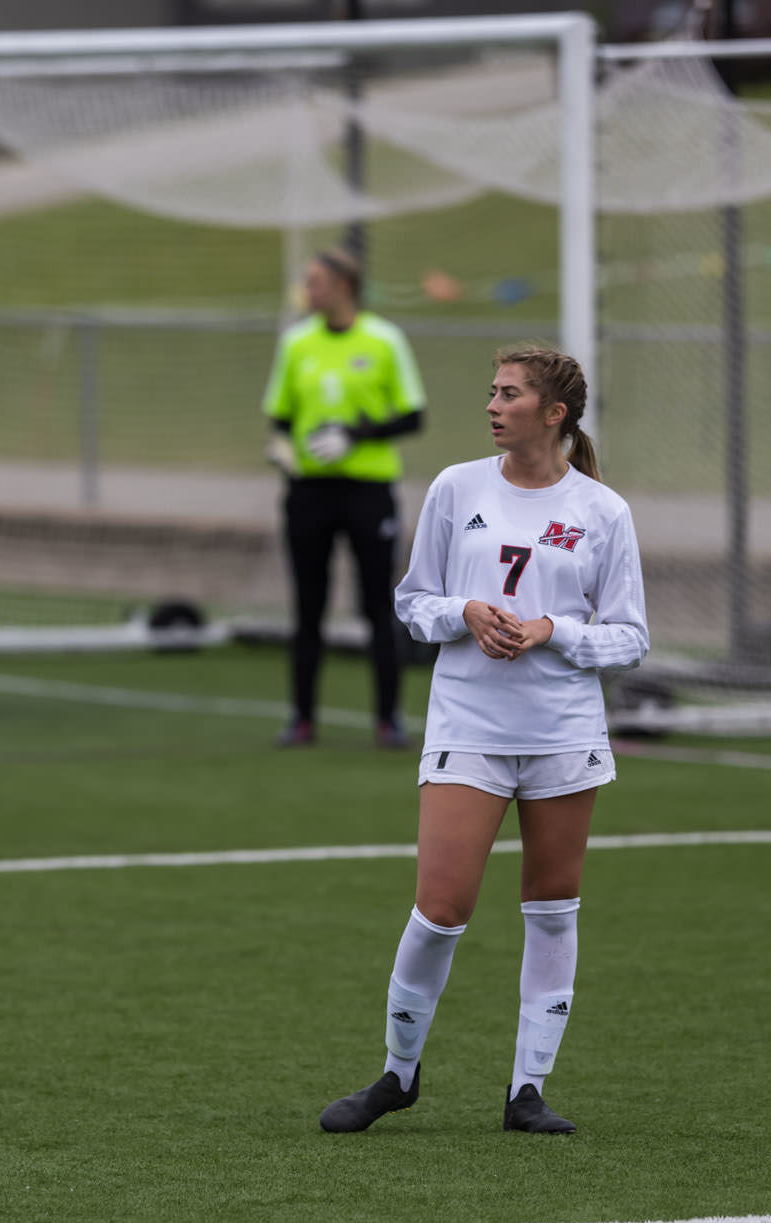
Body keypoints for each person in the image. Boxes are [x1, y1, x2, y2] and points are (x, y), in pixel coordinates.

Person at [318, 343, 647, 1136]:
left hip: (563, 733)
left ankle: (527, 1090)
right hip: (468, 724)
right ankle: (398, 1075)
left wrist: (553, 630)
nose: (493, 405)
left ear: (554, 413)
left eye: (510, 394)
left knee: (553, 907)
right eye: (492, 391)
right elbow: (413, 600)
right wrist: (465, 612)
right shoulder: (454, 487)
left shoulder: (603, 511)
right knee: (440, 907)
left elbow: (631, 636)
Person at [261, 245, 426, 749]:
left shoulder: (384, 340)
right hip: (307, 492)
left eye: (315, 282)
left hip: (368, 492)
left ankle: (387, 720)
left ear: (343, 286)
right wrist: (284, 449)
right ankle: (303, 719)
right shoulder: (296, 343)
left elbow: (412, 415)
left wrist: (357, 435)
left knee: (379, 606)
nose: (308, 291)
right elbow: (280, 414)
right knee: (307, 607)